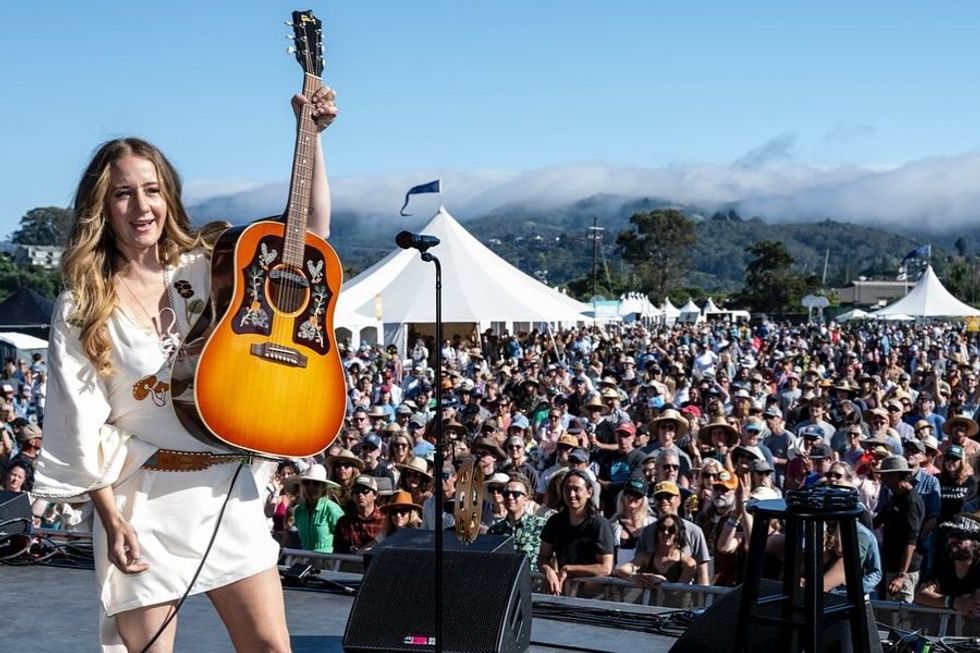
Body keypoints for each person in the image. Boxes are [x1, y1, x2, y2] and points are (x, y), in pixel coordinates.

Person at [31, 86, 337, 652]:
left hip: (227, 488)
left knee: (271, 648)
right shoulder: (82, 304)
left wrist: (310, 138)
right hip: (141, 500)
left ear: (168, 195)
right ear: (102, 206)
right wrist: (110, 520)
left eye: (151, 190)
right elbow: (77, 420)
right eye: (123, 194)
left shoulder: (210, 262)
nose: (141, 206)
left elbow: (308, 233)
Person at [537, 469, 615, 595]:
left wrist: (569, 569)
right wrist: (548, 570)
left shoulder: (600, 525)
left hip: (594, 596)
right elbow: (543, 557)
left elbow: (605, 568)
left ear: (589, 492)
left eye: (577, 489)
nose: (571, 494)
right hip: (563, 591)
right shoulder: (554, 522)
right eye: (567, 489)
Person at [915, 513, 980, 616]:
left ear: (975, 542)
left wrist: (937, 599)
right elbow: (921, 595)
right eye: (951, 534)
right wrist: (952, 602)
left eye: (960, 535)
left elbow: (976, 604)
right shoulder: (942, 565)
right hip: (946, 624)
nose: (954, 539)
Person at [488, 473, 546, 570]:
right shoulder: (494, 530)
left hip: (532, 578)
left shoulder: (541, 526)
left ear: (526, 498)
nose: (510, 497)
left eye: (516, 494)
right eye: (506, 493)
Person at [332, 475, 385, 554]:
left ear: (375, 495)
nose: (360, 494)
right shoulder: (344, 522)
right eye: (356, 490)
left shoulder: (385, 521)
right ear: (352, 495)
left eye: (365, 490)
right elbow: (337, 552)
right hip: (349, 562)